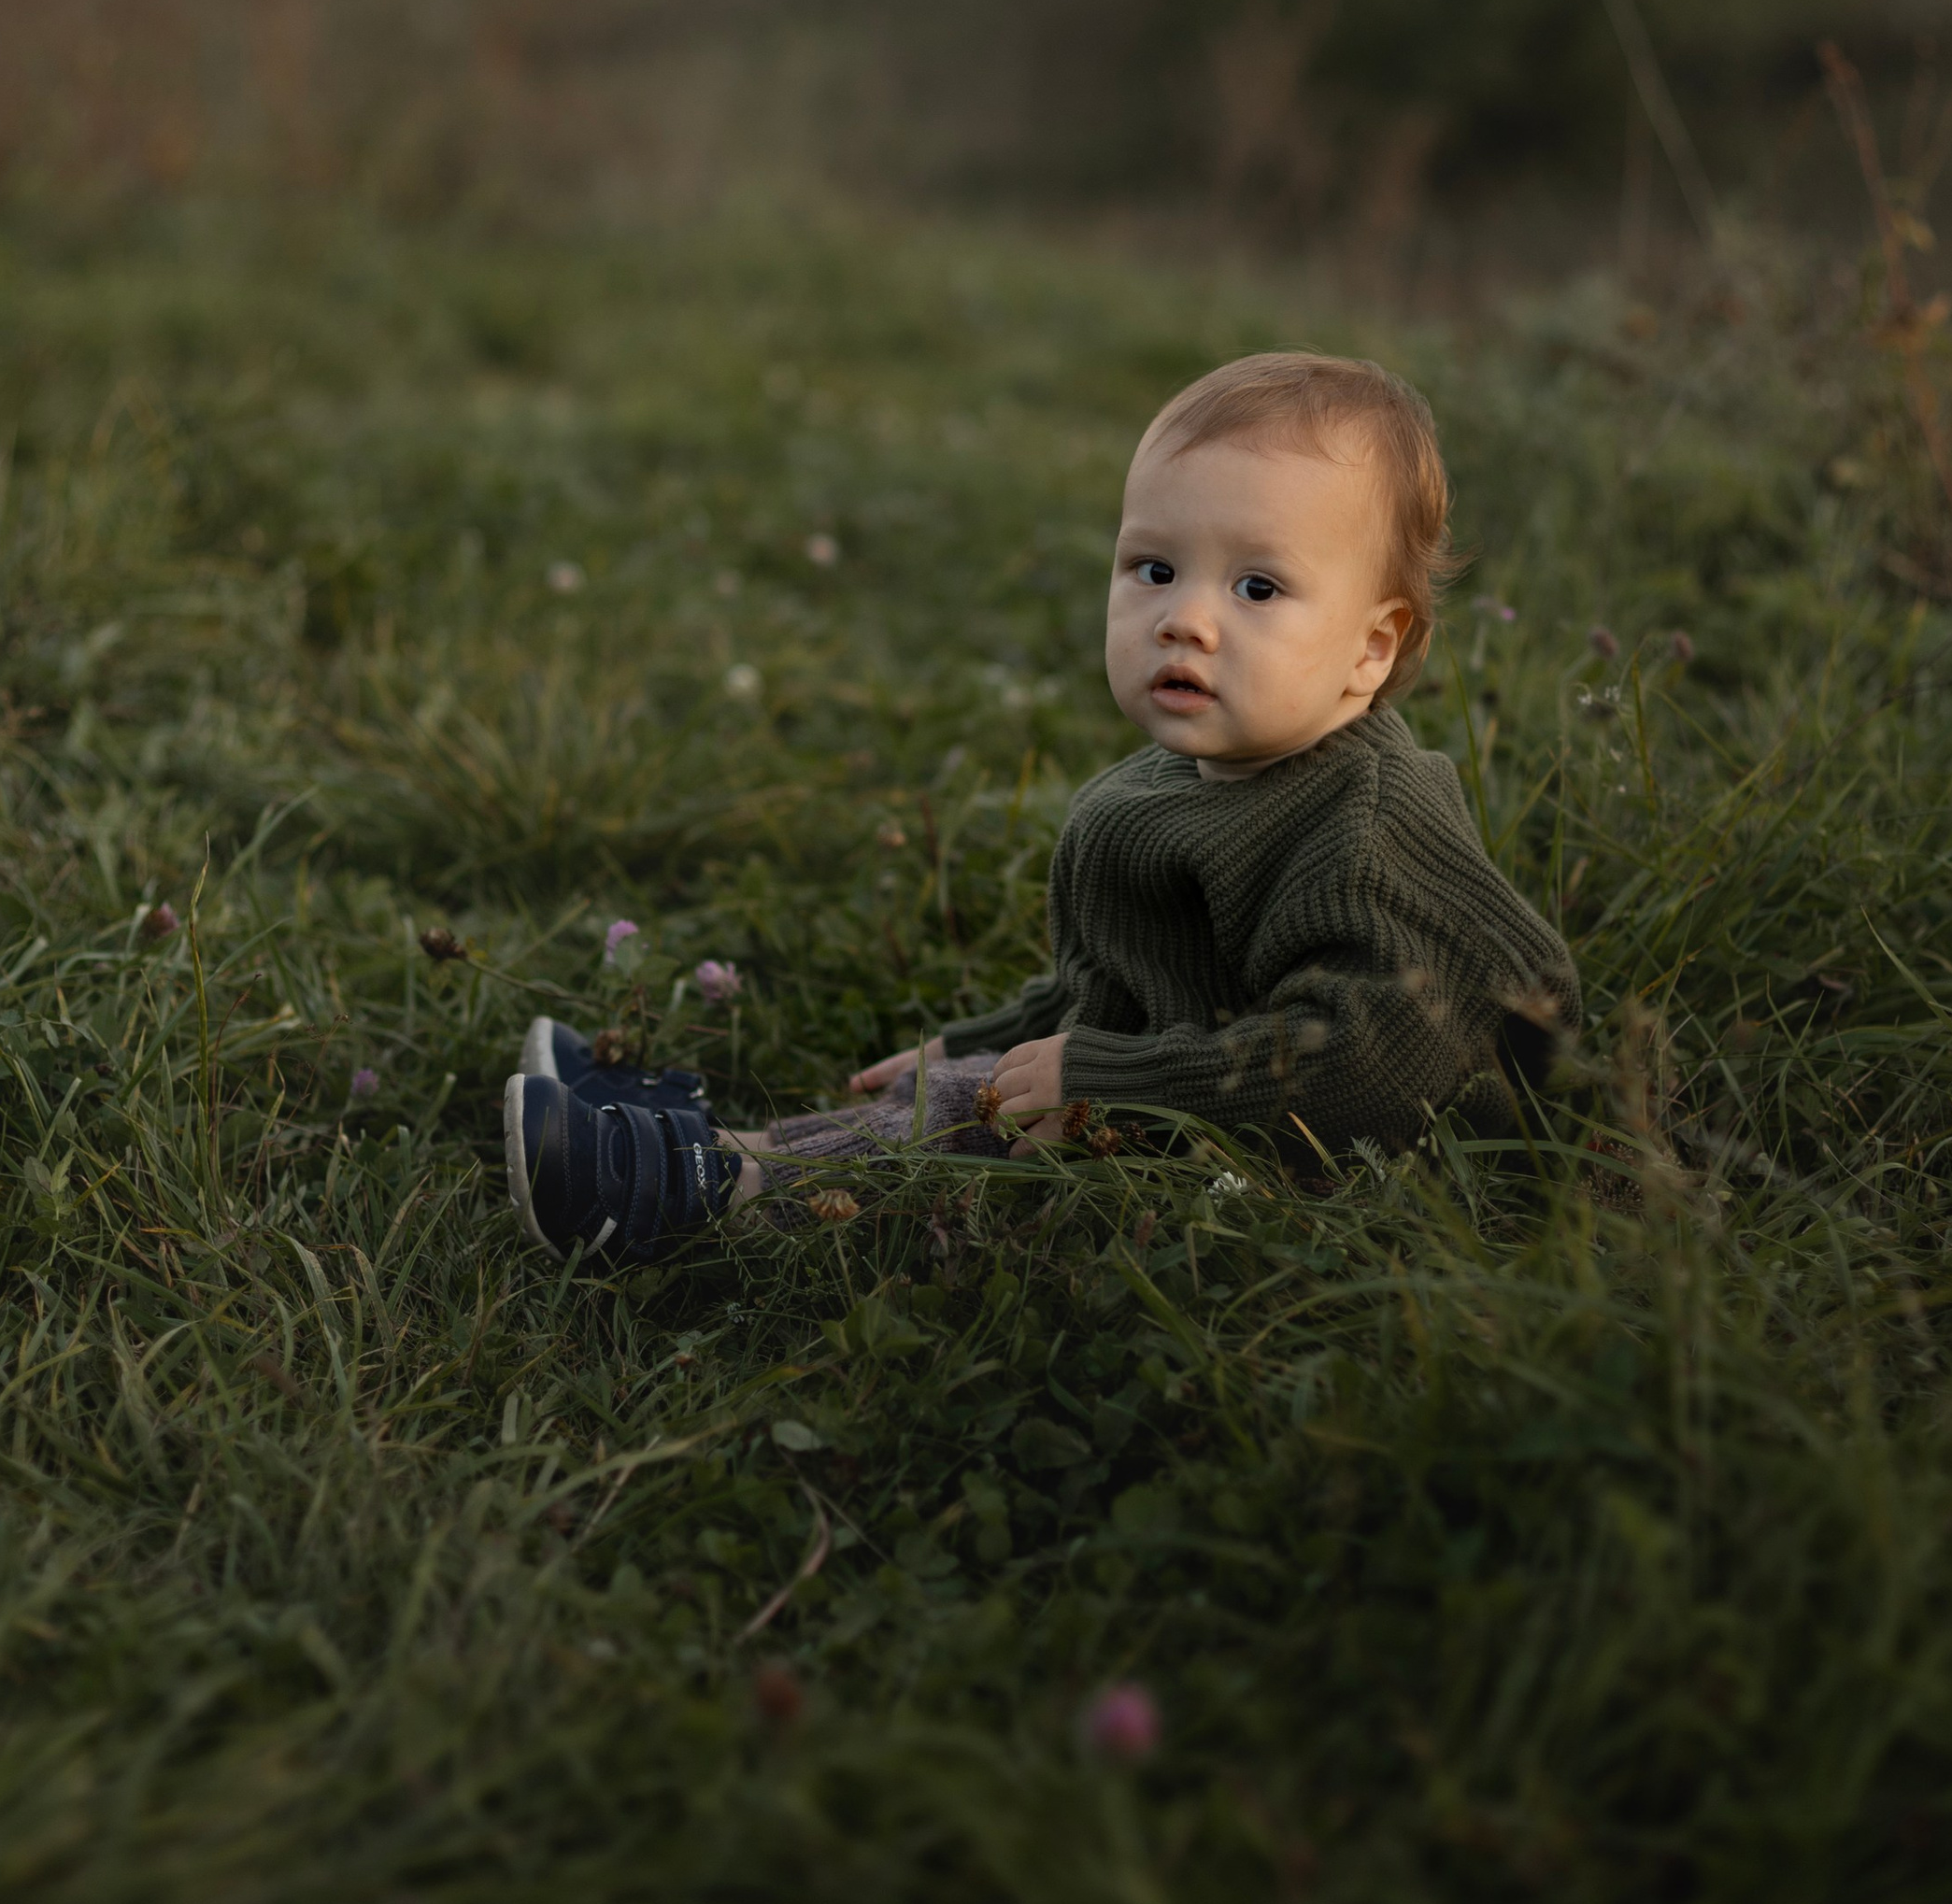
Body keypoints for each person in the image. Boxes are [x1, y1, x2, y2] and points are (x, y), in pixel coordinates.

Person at [505, 350, 1581, 1264]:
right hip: (1211, 1089)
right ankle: (693, 1137)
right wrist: (985, 1040)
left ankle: (704, 1196)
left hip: (1386, 1160)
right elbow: (1115, 990)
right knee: (982, 1085)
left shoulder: (1366, 823)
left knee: (995, 1139)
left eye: (1257, 588)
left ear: (1371, 647)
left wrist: (1108, 1080)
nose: (1186, 622)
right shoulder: (1175, 785)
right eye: (1153, 569)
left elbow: (1373, 1061)